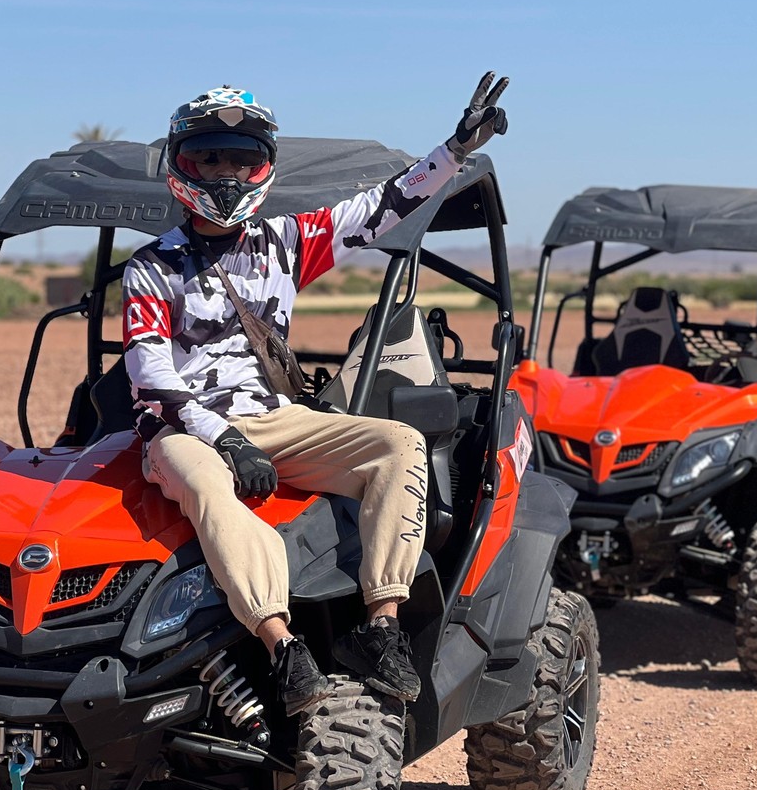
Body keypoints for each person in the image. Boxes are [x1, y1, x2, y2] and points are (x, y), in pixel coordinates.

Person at [121, 74, 509, 716]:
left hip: (270, 418)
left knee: (400, 446)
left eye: (243, 159)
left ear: (264, 169)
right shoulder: (151, 267)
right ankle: (282, 646)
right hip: (183, 432)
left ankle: (379, 626)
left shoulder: (286, 243)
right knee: (209, 488)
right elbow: (152, 381)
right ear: (180, 165)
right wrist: (227, 442)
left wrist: (455, 150)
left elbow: (383, 206)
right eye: (209, 156)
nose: (225, 172)